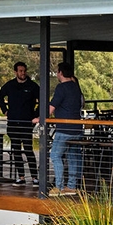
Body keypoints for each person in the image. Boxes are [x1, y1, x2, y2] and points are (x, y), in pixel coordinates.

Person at [36, 61, 82, 196]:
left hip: (64, 128)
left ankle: (59, 187)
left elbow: (51, 107)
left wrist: (39, 118)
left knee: (55, 155)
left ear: (60, 73)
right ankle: (72, 186)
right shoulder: (75, 87)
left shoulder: (61, 88)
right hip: (77, 128)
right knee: (73, 156)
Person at [0, 61, 39, 184]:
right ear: (15, 72)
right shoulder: (10, 85)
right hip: (13, 122)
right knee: (16, 150)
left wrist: (35, 115)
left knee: (29, 150)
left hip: (26, 122)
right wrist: (5, 110)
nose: (23, 73)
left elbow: (43, 99)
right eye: (20, 71)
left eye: (24, 71)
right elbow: (0, 96)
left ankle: (35, 177)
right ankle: (21, 177)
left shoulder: (32, 86)